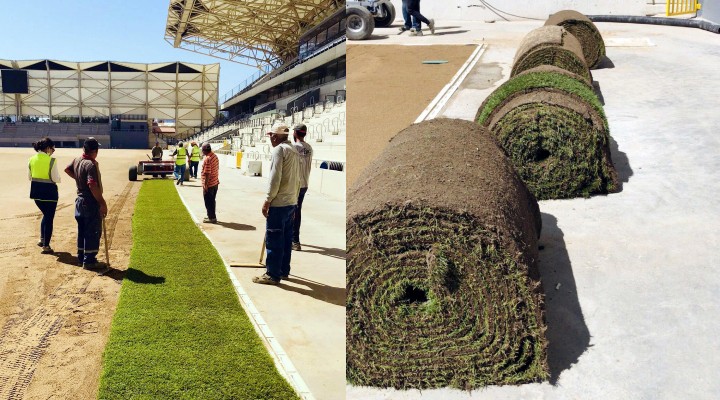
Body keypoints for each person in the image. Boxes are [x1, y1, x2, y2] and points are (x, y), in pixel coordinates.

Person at [253, 123, 300, 285]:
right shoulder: (294, 150)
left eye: (271, 136)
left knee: (274, 238)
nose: (270, 139)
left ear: (275, 136)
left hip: (279, 203)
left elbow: (275, 179)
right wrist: (295, 202)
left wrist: (267, 200)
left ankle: (272, 274)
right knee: (286, 239)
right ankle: (283, 270)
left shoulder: (279, 150)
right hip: (290, 202)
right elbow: (297, 179)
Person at [64, 137, 109, 272]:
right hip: (89, 202)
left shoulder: (77, 160)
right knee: (92, 231)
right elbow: (92, 185)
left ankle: (81, 257)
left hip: (79, 201)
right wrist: (102, 202)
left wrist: (79, 179)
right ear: (95, 151)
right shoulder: (90, 165)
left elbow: (67, 169)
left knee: (82, 231)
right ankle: (89, 261)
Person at [28, 137, 60, 254]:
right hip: (50, 194)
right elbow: (56, 178)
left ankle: (42, 240)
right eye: (53, 149)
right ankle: (46, 245)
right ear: (47, 148)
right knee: (49, 218)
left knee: (45, 215)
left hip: (36, 193)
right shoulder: (51, 161)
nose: (53, 152)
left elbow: (30, 177)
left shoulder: (31, 159)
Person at [292, 123, 313, 251]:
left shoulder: (294, 148)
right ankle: (294, 239)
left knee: (292, 212)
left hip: (295, 184)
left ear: (295, 133)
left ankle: (294, 241)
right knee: (297, 211)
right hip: (304, 183)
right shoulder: (309, 148)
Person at [200, 143, 219, 223]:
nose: (202, 152)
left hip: (210, 184)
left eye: (202, 150)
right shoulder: (214, 156)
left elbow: (207, 173)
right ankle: (211, 216)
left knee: (208, 201)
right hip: (215, 182)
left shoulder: (208, 158)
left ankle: (212, 218)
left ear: (205, 151)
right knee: (212, 200)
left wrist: (205, 185)